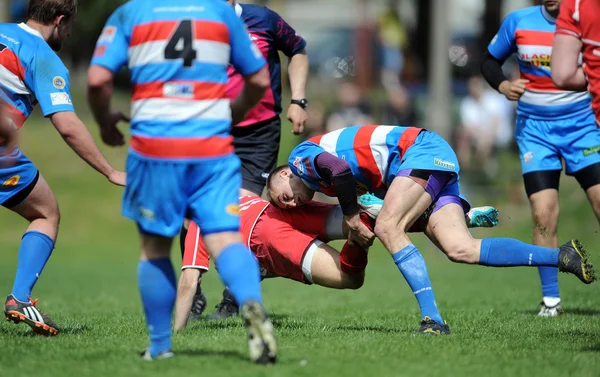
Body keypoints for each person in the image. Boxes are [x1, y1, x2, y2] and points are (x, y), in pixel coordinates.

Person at [87, 0, 277, 363]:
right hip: (213, 146)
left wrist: (104, 120)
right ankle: (252, 305)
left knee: (155, 248)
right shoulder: (221, 12)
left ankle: (159, 347)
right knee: (225, 237)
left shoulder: (132, 13)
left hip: (155, 149)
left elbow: (97, 80)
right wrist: (232, 112)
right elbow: (258, 79)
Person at [267, 125, 596, 333]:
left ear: (283, 176)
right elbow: (377, 198)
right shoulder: (321, 183)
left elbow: (339, 168)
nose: (292, 203)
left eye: (284, 198)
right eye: (288, 207)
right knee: (460, 249)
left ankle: (433, 320)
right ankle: (560, 255)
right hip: (427, 160)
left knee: (389, 227)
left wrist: (352, 218)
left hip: (420, 152)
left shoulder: (300, 159)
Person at [175, 194, 500, 331]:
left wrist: (173, 335)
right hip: (281, 210)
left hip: (271, 236)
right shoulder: (229, 191)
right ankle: (457, 217)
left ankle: (357, 241)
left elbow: (189, 282)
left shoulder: (199, 224)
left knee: (350, 277)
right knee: (364, 217)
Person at [1, 0, 126, 337]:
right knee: (46, 213)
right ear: (59, 20)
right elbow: (68, 126)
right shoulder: (43, 56)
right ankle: (20, 298)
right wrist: (110, 171)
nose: (70, 32)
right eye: (69, 25)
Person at [181, 0, 310, 321]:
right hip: (210, 128)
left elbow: (298, 50)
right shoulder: (192, 25)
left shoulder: (263, 19)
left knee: (241, 213)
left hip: (258, 133)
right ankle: (193, 289)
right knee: (187, 212)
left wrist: (298, 100)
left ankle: (234, 298)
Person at [481, 0, 600, 316]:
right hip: (535, 133)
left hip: (583, 129)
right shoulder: (519, 21)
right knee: (543, 214)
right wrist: (504, 84)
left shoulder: (586, 19)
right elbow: (489, 61)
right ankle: (551, 301)